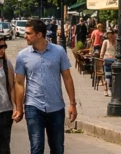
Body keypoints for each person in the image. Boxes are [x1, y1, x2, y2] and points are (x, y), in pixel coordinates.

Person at [13, 19, 76, 154]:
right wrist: (19, 108)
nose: (25, 36)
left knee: (57, 148)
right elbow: (19, 83)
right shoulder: (22, 56)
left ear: (39, 34)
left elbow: (67, 78)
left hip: (56, 107)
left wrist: (72, 104)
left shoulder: (59, 51)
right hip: (33, 106)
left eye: (29, 33)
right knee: (36, 147)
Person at [98, 31, 116, 96]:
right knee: (108, 74)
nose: (110, 38)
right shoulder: (106, 42)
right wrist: (101, 60)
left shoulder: (117, 42)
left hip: (115, 60)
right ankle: (106, 88)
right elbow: (102, 52)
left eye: (111, 36)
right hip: (107, 59)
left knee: (113, 75)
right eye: (109, 37)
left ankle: (110, 88)